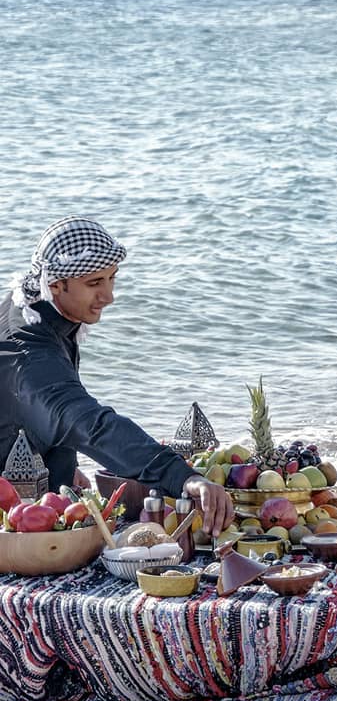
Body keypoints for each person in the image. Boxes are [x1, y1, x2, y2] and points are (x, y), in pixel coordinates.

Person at [0, 217, 233, 534]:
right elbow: (90, 425)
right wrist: (182, 477)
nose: (109, 296)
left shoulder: (33, 306)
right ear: (55, 284)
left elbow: (50, 413)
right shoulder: (31, 353)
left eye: (112, 278)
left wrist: (64, 469)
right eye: (95, 283)